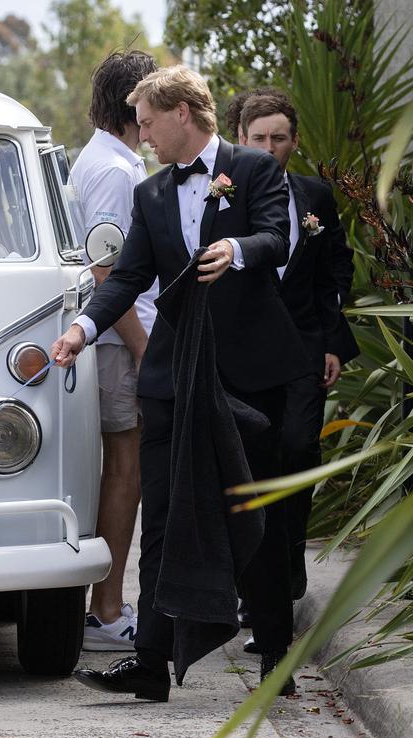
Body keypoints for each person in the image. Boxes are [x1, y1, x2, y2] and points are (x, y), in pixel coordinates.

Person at [51, 65, 307, 701]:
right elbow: (129, 275)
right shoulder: (151, 193)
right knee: (161, 519)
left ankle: (276, 658)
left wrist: (238, 249)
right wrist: (82, 328)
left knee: (259, 515)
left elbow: (278, 237)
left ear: (182, 115)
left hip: (248, 375)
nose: (141, 137)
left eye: (146, 123)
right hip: (171, 376)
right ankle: (150, 664)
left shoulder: (254, 171)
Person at [238, 91, 359, 605]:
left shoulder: (317, 198)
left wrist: (333, 341)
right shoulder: (225, 199)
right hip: (245, 359)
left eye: (279, 138)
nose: (269, 148)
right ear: (241, 140)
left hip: (307, 352)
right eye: (259, 138)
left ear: (294, 142)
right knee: (252, 466)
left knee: (299, 450)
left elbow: (336, 270)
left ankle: (286, 579)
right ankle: (254, 591)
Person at [70, 50, 158, 652]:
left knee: (122, 469)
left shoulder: (106, 160)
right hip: (119, 341)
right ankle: (106, 608)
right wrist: (144, 348)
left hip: (116, 337)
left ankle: (104, 603)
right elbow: (108, 272)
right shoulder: (113, 172)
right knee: (124, 469)